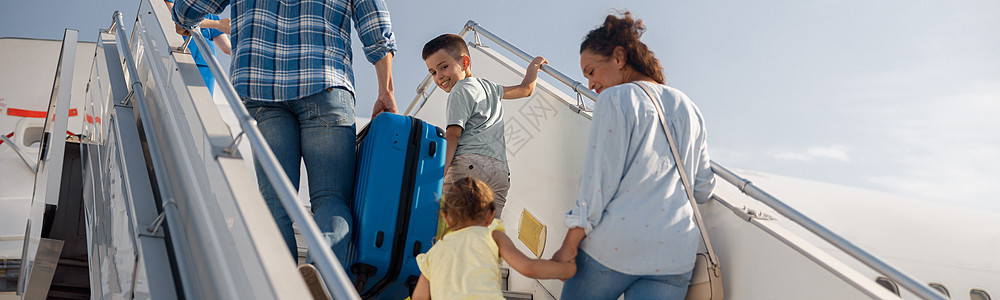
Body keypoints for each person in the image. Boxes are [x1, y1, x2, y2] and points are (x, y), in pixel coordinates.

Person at [171, 0, 399, 268]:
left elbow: (187, 9)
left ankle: (282, 287)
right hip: (326, 84)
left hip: (260, 89)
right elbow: (376, 25)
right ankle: (317, 281)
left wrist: (184, 21)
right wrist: (386, 91)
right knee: (331, 201)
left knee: (274, 203)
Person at [551, 11, 716, 299]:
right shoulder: (689, 107)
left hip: (615, 250)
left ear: (618, 57)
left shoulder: (615, 100)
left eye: (591, 71)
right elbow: (702, 189)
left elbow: (597, 183)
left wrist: (569, 245)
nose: (590, 84)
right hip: (674, 257)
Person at [421, 33, 547, 218]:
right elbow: (526, 89)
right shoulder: (490, 88)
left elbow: (453, 135)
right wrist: (533, 66)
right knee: (483, 237)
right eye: (433, 72)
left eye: (443, 67)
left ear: (464, 63)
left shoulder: (459, 91)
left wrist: (439, 175)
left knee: (448, 229)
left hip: (468, 167)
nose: (439, 76)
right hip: (499, 174)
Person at [412, 177, 575, 300]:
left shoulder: (434, 252)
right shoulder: (492, 235)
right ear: (490, 216)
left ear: (446, 217)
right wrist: (568, 270)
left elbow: (419, 298)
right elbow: (528, 267)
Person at [163, 0, 231, 95]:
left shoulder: (211, 16)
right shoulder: (176, 3)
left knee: (202, 105)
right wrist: (218, 24)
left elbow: (227, 48)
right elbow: (180, 18)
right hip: (178, 59)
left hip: (206, 66)